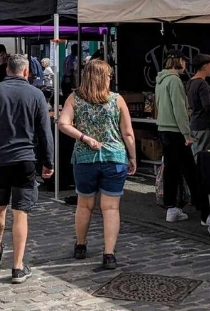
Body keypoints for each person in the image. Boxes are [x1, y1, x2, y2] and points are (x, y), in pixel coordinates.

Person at [0, 54, 54, 284]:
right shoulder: (36, 95)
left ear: (7, 71)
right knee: (20, 212)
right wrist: (49, 162)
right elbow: (45, 133)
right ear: (26, 72)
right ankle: (17, 266)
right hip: (25, 158)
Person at [58, 60, 136, 270]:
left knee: (84, 204)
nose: (111, 78)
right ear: (104, 77)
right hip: (114, 157)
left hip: (85, 158)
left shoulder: (75, 98)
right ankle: (108, 253)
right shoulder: (116, 100)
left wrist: (84, 137)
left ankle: (81, 244)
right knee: (110, 208)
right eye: (109, 75)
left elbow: (63, 124)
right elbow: (128, 133)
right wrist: (133, 157)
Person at [155, 49, 210, 225]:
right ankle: (205, 213)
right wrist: (187, 134)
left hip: (163, 129)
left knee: (171, 170)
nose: (186, 65)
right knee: (191, 172)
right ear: (178, 61)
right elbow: (179, 110)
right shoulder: (174, 81)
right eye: (184, 61)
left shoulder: (160, 80)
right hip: (175, 131)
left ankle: (171, 207)